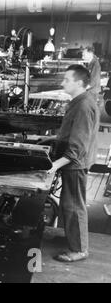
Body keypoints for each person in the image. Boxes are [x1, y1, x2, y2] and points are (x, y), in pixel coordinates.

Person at [48, 64, 100, 262]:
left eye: (66, 80)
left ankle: (79, 249)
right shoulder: (79, 101)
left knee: (74, 205)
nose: (62, 83)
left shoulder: (84, 105)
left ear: (79, 83)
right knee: (69, 203)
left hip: (75, 164)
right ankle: (74, 239)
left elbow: (77, 148)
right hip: (73, 162)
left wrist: (54, 165)